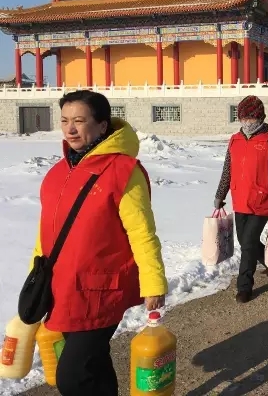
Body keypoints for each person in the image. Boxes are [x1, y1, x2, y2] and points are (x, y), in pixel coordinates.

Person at [28, 90, 168, 395]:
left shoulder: (123, 172)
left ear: (103, 125)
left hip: (100, 290)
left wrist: (153, 282)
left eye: (79, 120)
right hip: (62, 289)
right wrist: (36, 275)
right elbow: (47, 234)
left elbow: (142, 232)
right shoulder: (56, 174)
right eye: (65, 120)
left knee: (72, 377)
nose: (70, 129)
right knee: (94, 366)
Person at [214, 95, 268, 303]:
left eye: (251, 118)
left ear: (260, 118)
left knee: (248, 241)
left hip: (262, 200)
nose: (247, 122)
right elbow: (227, 171)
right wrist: (219, 195)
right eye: (243, 118)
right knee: (245, 241)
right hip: (240, 199)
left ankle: (244, 286)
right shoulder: (235, 140)